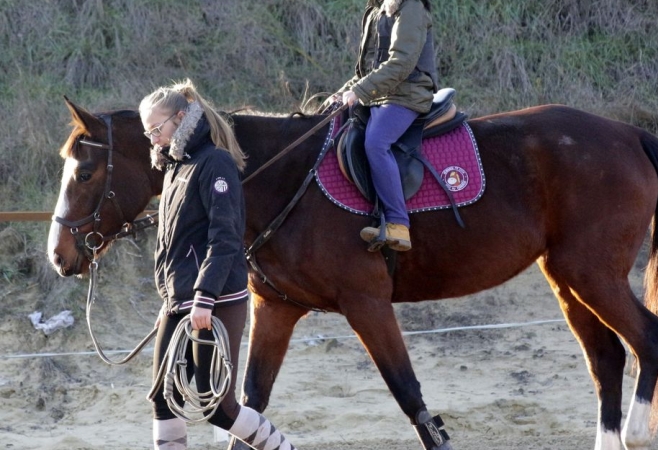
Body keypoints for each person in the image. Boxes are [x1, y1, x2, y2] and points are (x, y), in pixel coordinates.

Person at [139, 79, 297, 450]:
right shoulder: (175, 168)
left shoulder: (216, 164)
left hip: (215, 301)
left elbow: (225, 238)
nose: (153, 139)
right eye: (147, 132)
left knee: (219, 408)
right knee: (163, 397)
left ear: (180, 118)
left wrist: (204, 297)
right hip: (177, 301)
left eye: (156, 129)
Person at [336, 0, 438, 251]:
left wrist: (359, 91)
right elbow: (365, 69)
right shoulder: (375, 10)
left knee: (377, 142)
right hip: (379, 94)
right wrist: (342, 93)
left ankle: (398, 223)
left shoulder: (411, 7)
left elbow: (401, 62)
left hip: (407, 94)